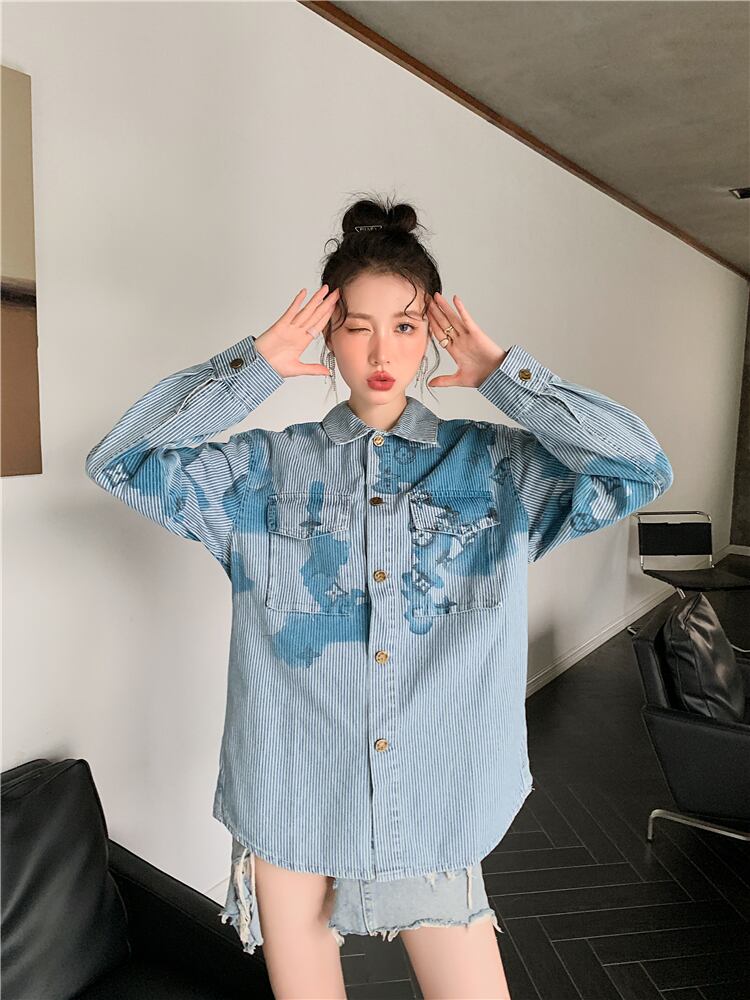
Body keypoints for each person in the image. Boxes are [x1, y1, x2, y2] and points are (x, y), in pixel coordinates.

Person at [84, 193, 674, 999]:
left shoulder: (499, 468)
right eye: (356, 325)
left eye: (404, 324)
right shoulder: (263, 471)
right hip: (291, 795)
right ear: (328, 335)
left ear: (432, 334)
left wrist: (508, 378)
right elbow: (119, 462)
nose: (380, 350)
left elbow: (640, 468)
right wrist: (250, 369)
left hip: (434, 798)